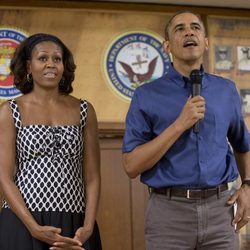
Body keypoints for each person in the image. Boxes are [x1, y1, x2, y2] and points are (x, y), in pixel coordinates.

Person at [122, 10, 250, 250]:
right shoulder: (146, 95)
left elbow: (243, 145)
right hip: (169, 214)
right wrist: (180, 124)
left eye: (195, 27)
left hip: (221, 212)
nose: (189, 31)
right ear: (167, 46)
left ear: (206, 42)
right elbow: (131, 166)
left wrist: (248, 187)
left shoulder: (226, 90)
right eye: (180, 28)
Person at [0, 33, 102, 250]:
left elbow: (92, 176)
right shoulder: (10, 110)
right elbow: (4, 176)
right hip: (23, 221)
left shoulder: (84, 110)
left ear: (64, 66)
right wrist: (33, 227)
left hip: (76, 223)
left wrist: (89, 226)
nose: (51, 64)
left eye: (57, 59)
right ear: (28, 66)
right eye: (43, 58)